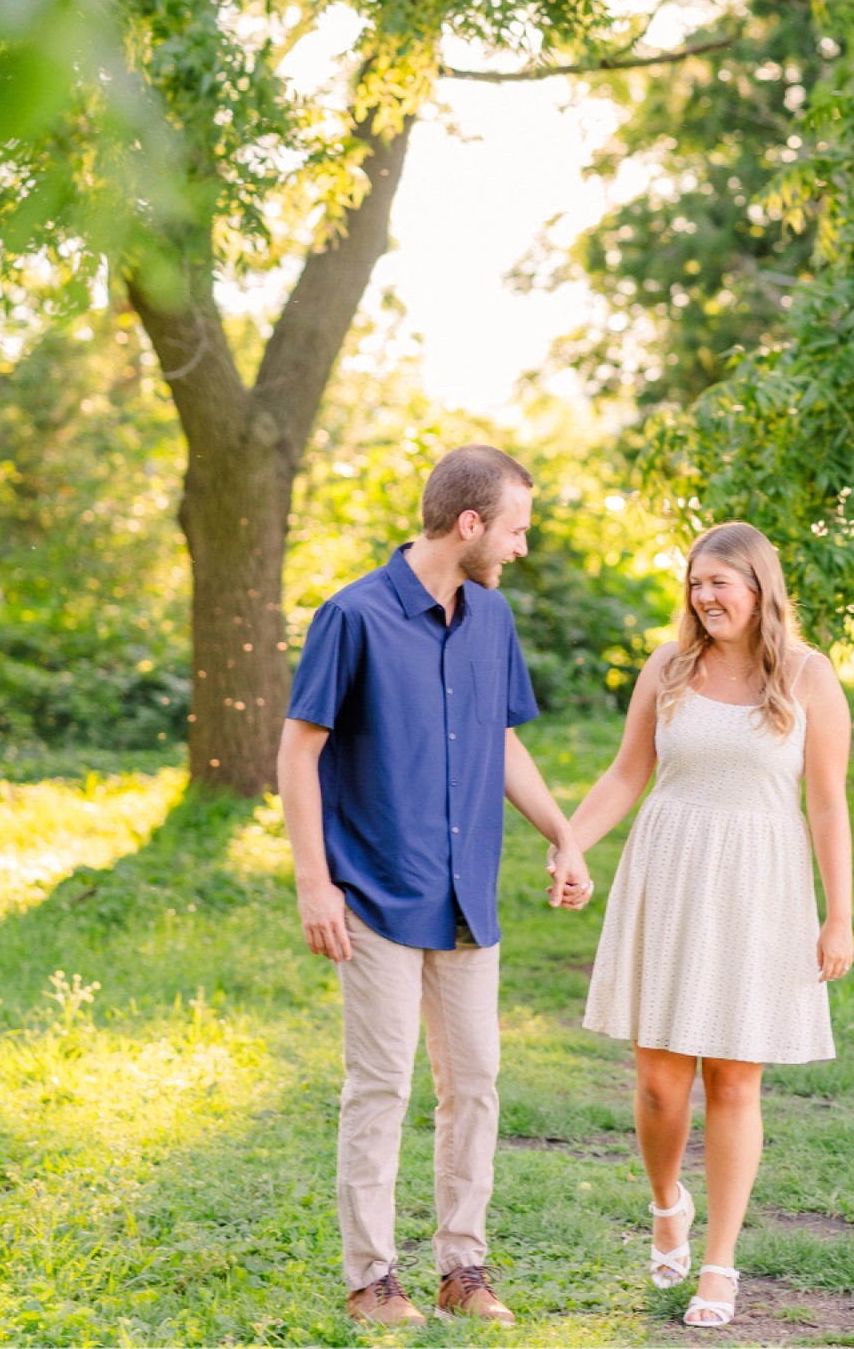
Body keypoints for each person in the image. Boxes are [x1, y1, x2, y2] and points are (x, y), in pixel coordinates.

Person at [277, 445, 593, 1328]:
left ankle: (463, 1267)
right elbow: (299, 750)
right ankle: (371, 1279)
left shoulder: (491, 619)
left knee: (476, 1082)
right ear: (470, 524)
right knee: (381, 1086)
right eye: (517, 529)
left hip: (467, 898)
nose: (522, 548)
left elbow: (499, 740)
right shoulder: (353, 615)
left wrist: (563, 834)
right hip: (374, 893)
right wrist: (314, 882)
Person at [571, 521, 854, 1330]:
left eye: (719, 582)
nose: (704, 596)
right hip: (669, 871)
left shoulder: (807, 676)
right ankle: (667, 1202)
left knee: (734, 1080)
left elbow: (828, 804)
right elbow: (629, 770)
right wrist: (571, 844)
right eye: (695, 582)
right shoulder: (669, 667)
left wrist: (838, 916)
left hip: (761, 884)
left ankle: (721, 1264)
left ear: (759, 589)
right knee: (661, 1083)